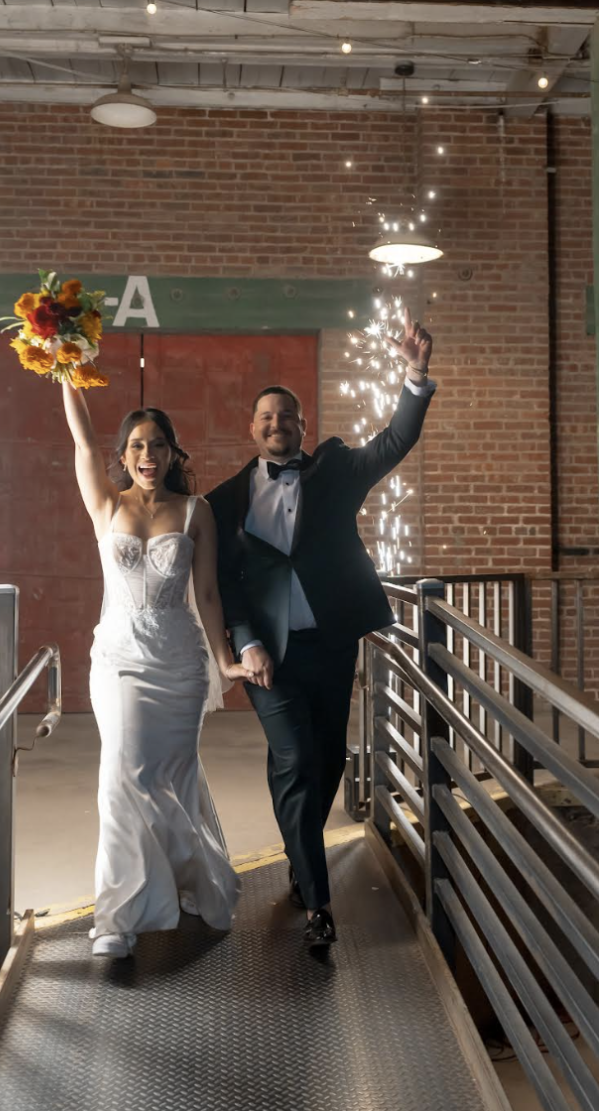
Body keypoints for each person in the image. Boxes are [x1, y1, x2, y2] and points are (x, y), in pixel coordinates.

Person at [206, 309, 436, 949]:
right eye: (266, 417)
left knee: (325, 759)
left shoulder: (335, 471)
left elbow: (395, 440)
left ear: (302, 426)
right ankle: (318, 902)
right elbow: (228, 582)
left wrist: (415, 374)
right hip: (265, 657)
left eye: (288, 416)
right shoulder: (226, 501)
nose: (277, 424)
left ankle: (300, 858)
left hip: (332, 645)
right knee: (297, 756)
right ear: (251, 429)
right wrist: (244, 641)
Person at [62, 384, 250, 958]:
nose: (148, 455)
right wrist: (65, 370)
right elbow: (81, 444)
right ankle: (116, 917)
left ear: (173, 454)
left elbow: (210, 593)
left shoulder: (197, 512)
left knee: (173, 774)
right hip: (118, 658)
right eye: (137, 446)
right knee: (123, 774)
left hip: (179, 662)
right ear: (122, 456)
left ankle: (191, 876)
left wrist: (224, 662)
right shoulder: (107, 505)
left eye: (159, 445)